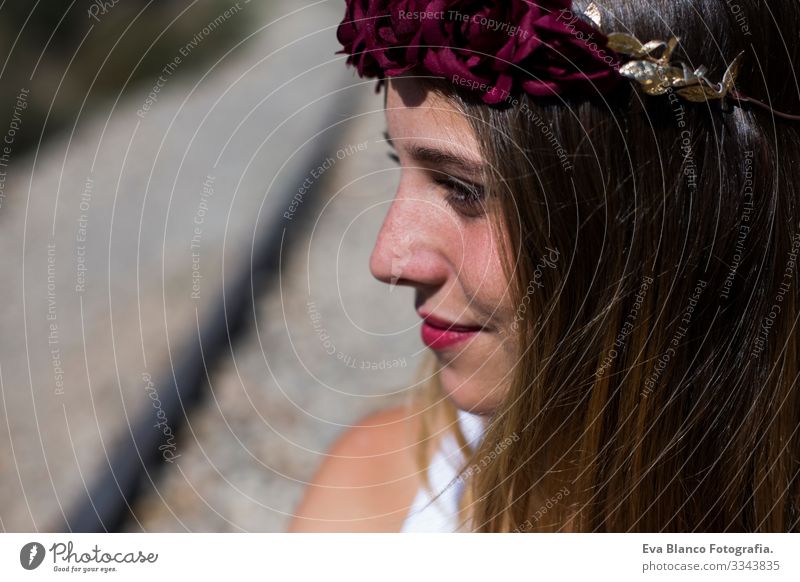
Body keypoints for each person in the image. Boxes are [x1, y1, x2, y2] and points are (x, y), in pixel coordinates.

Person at [289, 0, 800, 532]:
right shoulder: (371, 502)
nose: (387, 259)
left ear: (681, 214)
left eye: (463, 190)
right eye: (403, 165)